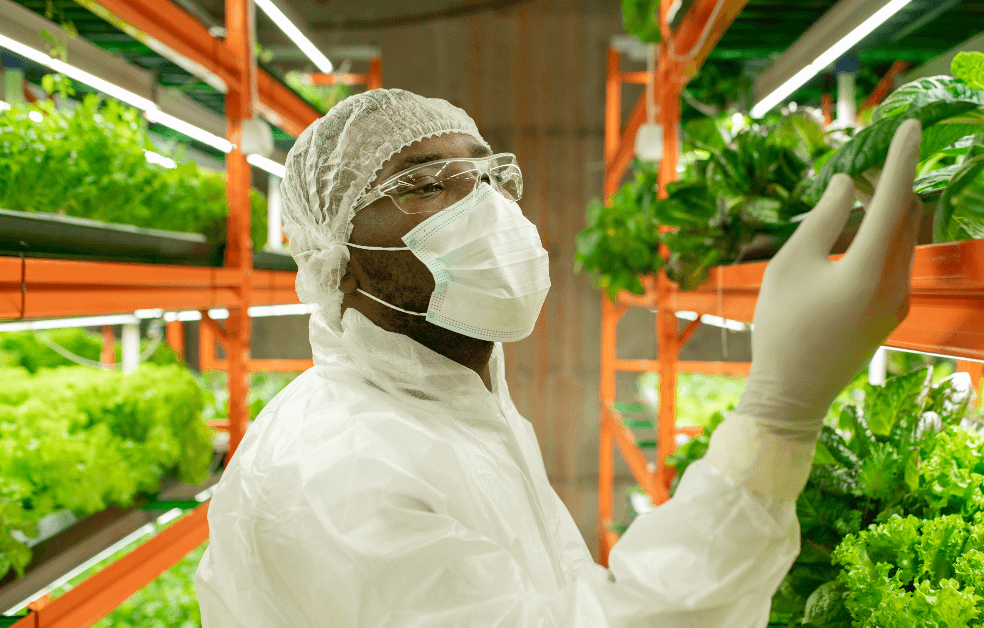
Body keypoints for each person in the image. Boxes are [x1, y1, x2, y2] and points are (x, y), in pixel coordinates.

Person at [195, 89, 923, 627]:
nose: (484, 209)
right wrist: (777, 416)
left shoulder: (454, 406)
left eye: (488, 178)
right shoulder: (340, 477)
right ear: (335, 257)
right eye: (424, 185)